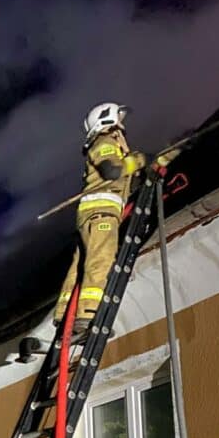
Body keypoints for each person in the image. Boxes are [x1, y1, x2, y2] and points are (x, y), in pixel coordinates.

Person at [54, 102, 147, 333]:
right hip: (102, 212)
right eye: (119, 120)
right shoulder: (105, 141)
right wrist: (141, 159)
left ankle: (64, 315)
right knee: (101, 260)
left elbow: (126, 178)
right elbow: (112, 170)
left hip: (91, 214)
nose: (122, 127)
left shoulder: (108, 144)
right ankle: (88, 315)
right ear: (108, 121)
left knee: (79, 267)